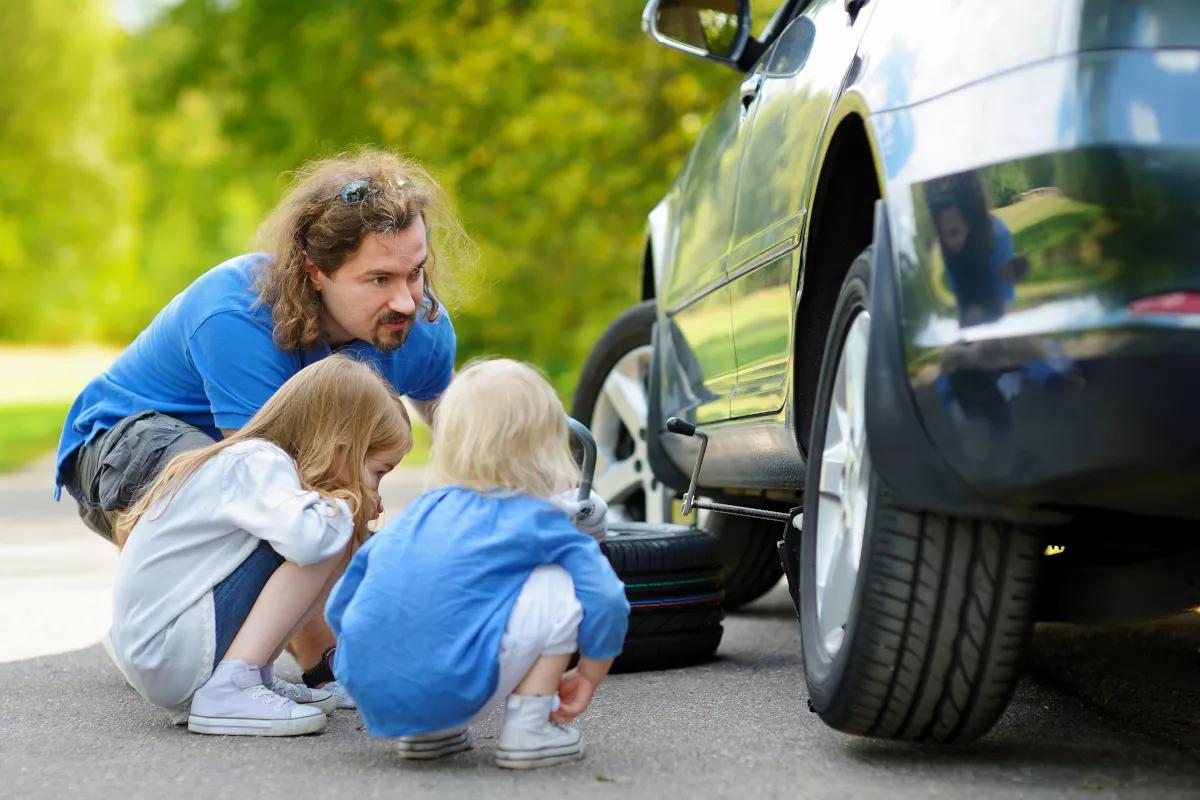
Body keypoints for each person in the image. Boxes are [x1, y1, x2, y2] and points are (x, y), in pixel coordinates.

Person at [53, 148, 469, 704]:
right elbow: (273, 498)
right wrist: (331, 660)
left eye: (415, 271)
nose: (405, 299)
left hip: (228, 462)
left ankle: (208, 640)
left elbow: (472, 450)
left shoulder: (416, 322)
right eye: (378, 278)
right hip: (123, 445)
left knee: (334, 498)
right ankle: (181, 642)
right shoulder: (240, 315)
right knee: (296, 505)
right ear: (314, 271)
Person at [326, 358, 630, 769]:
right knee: (562, 577)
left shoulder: (421, 512)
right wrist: (591, 674)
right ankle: (530, 728)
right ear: (545, 443)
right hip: (456, 683)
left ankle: (430, 732)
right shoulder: (541, 520)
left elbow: (342, 601)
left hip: (372, 690)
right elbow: (606, 598)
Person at [110, 356, 411, 736]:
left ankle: (251, 676)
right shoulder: (255, 461)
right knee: (324, 532)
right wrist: (347, 503)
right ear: (340, 448)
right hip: (169, 650)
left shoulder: (262, 465)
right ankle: (232, 688)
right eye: (378, 473)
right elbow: (307, 543)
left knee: (331, 527)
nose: (376, 490)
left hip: (171, 650)